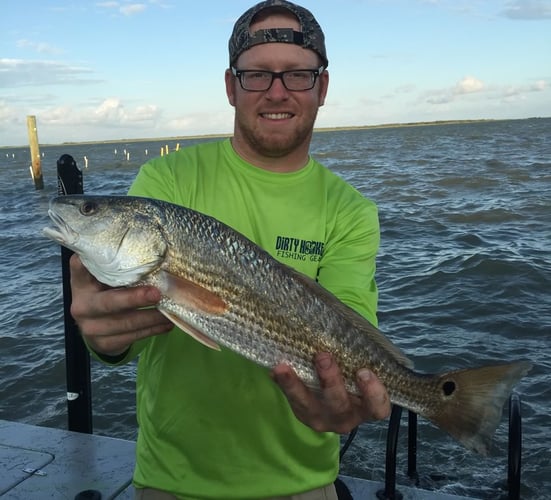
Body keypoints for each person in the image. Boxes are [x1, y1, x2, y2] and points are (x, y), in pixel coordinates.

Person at [69, 1, 391, 498]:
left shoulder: (351, 211)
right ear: (230, 86)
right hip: (170, 481)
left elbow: (350, 329)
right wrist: (103, 338)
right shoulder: (166, 180)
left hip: (304, 483)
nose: (278, 91)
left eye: (299, 74)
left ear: (322, 87)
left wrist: (347, 401)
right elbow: (121, 334)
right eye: (257, 75)